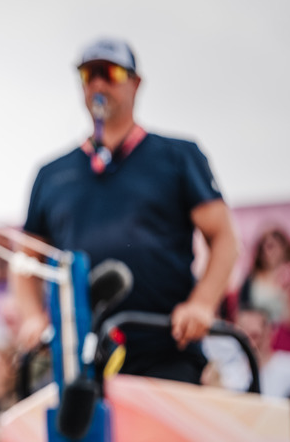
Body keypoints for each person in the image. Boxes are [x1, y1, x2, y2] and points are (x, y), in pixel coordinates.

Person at [16, 38, 239, 384]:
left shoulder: (179, 157)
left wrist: (203, 304)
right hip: (80, 361)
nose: (99, 84)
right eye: (89, 75)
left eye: (111, 72)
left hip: (166, 351)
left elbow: (224, 237)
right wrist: (32, 317)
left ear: (136, 83)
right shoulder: (51, 175)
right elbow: (25, 259)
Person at [238, 225, 290, 351]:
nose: (268, 252)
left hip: (286, 338)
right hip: (258, 339)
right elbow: (242, 311)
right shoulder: (251, 279)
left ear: (284, 247)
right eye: (264, 248)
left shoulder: (289, 274)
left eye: (272, 246)